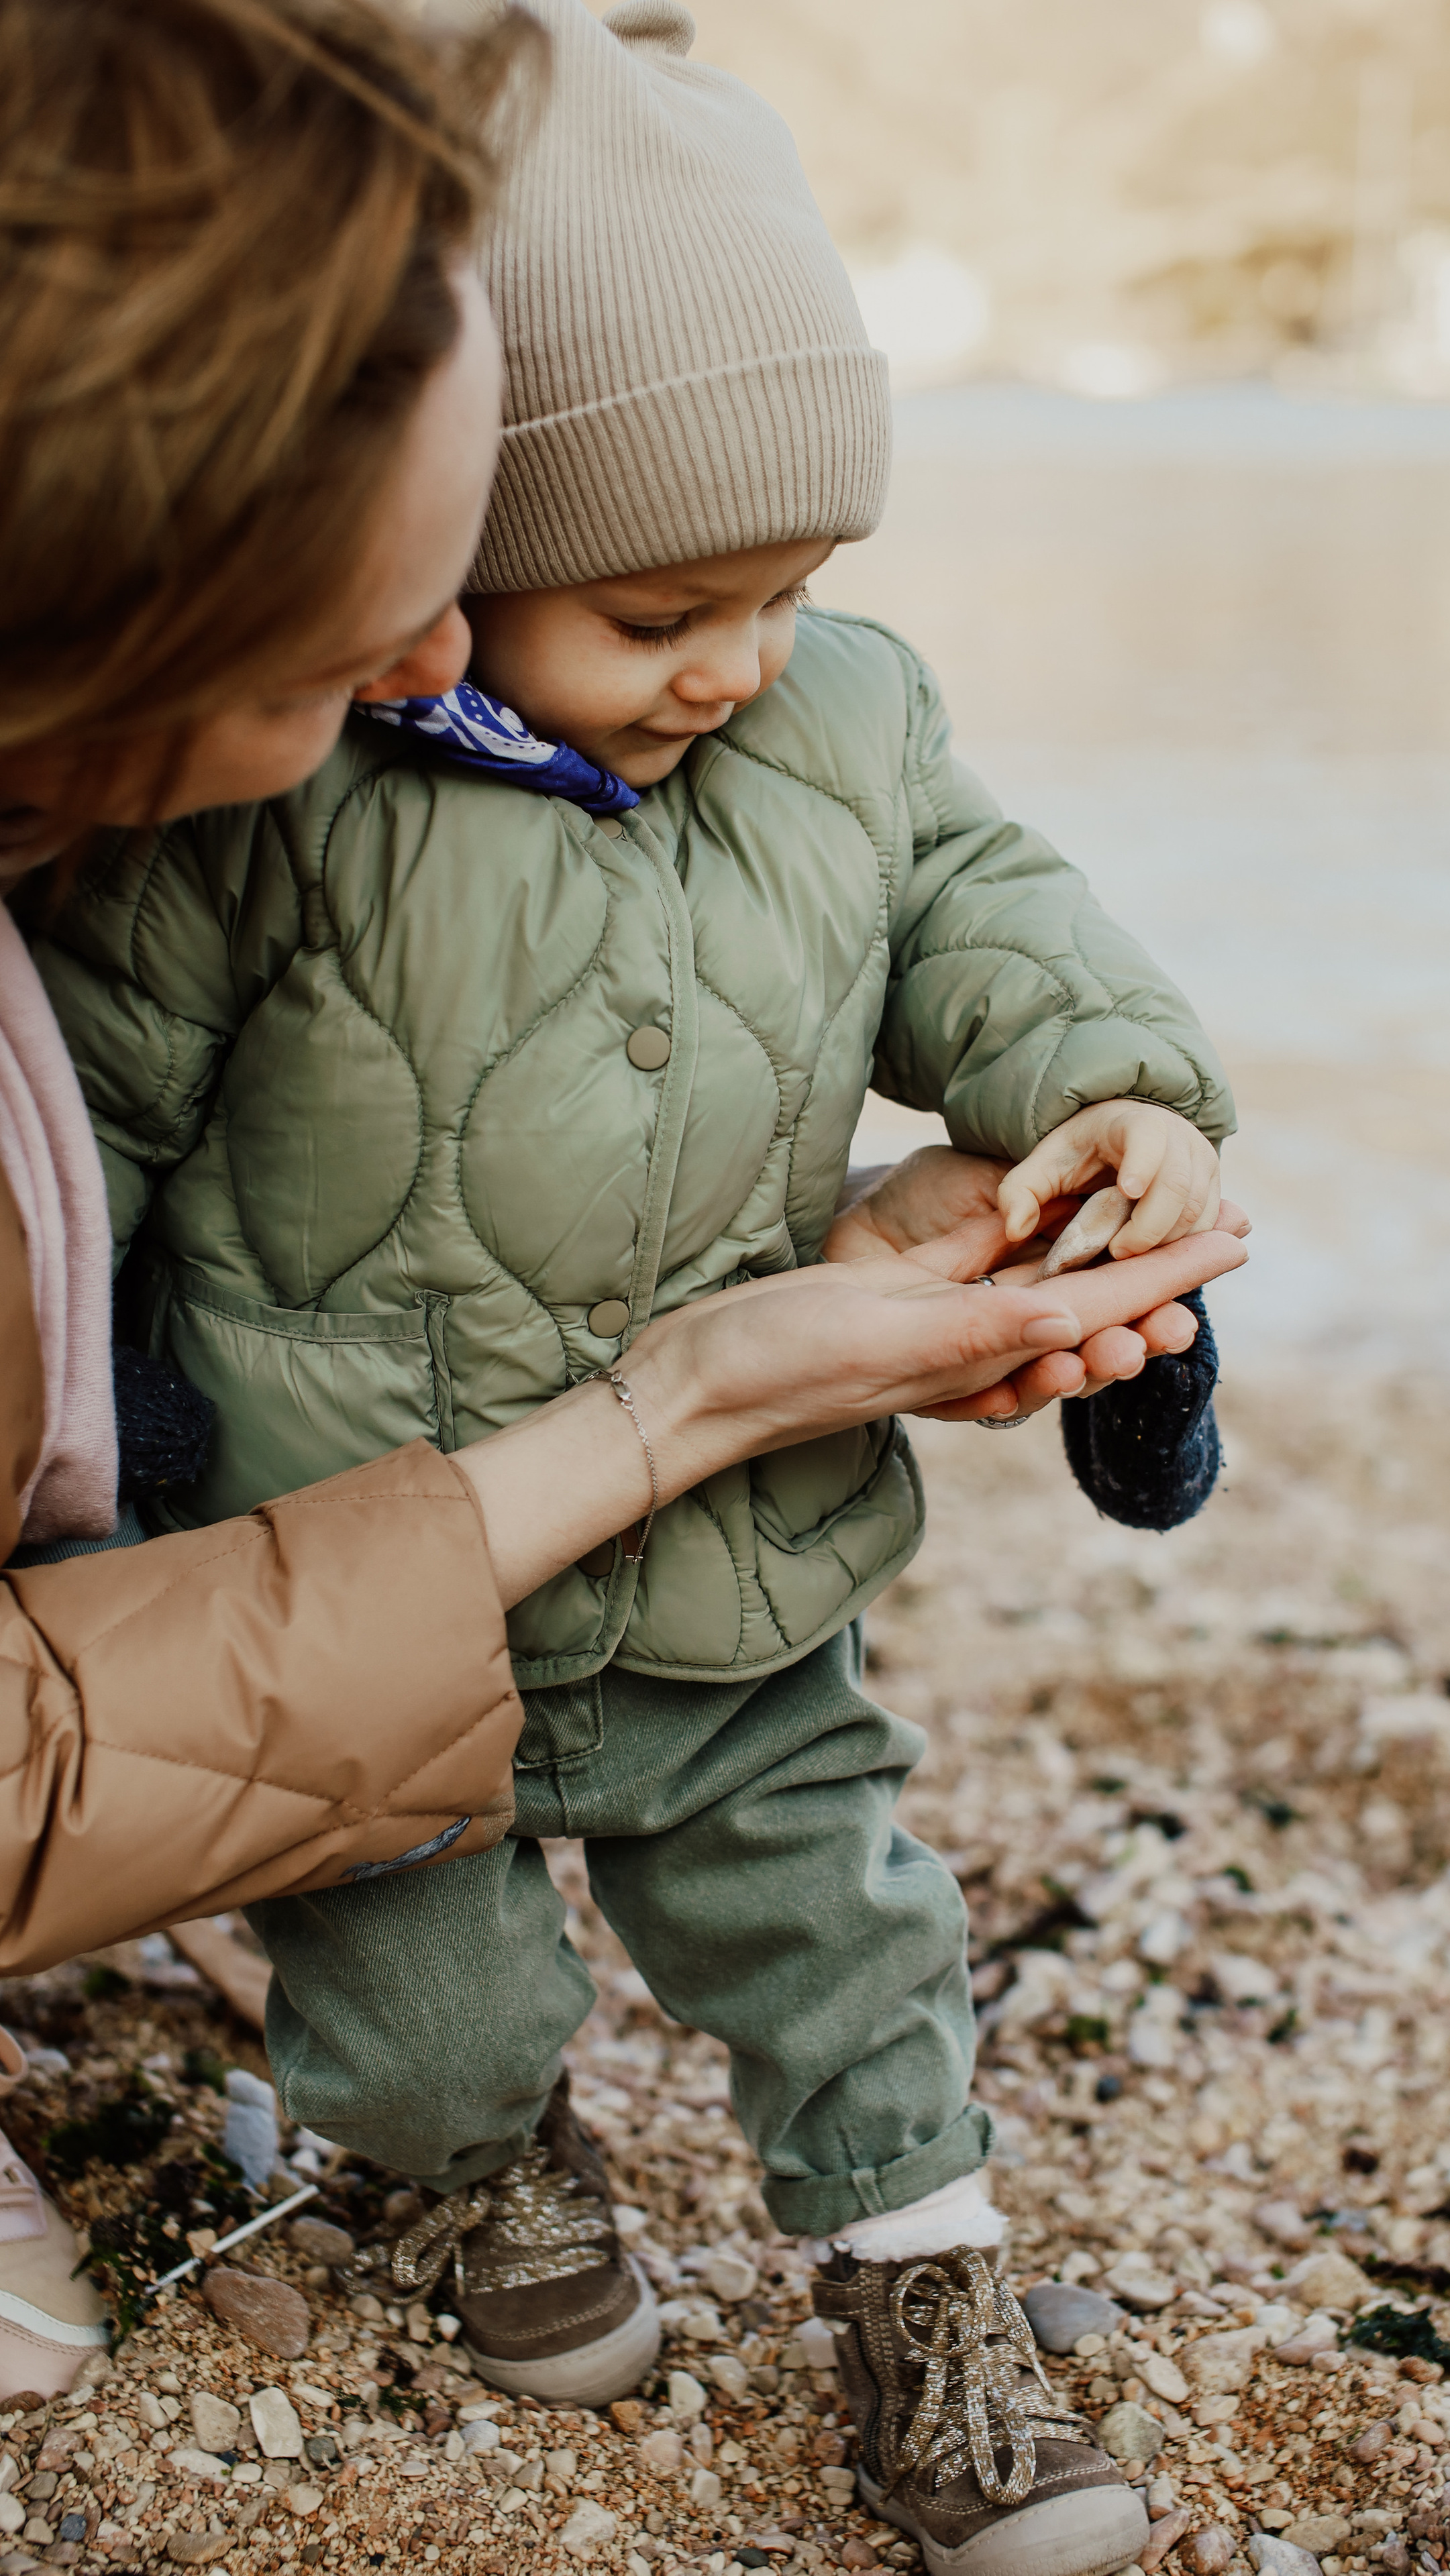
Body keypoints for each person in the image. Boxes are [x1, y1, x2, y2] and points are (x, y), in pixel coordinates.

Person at [38, 9, 1249, 2565]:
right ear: (441, 556)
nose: (739, 662)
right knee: (422, 2004)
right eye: (664, 604)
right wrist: (114, 1447)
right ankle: (482, 2178)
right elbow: (102, 1118)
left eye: (803, 593)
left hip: (745, 1553)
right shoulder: (278, 787)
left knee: (846, 1931)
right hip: (381, 1565)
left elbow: (986, 914)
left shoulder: (841, 727)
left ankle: (925, 2284)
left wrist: (1110, 1093)